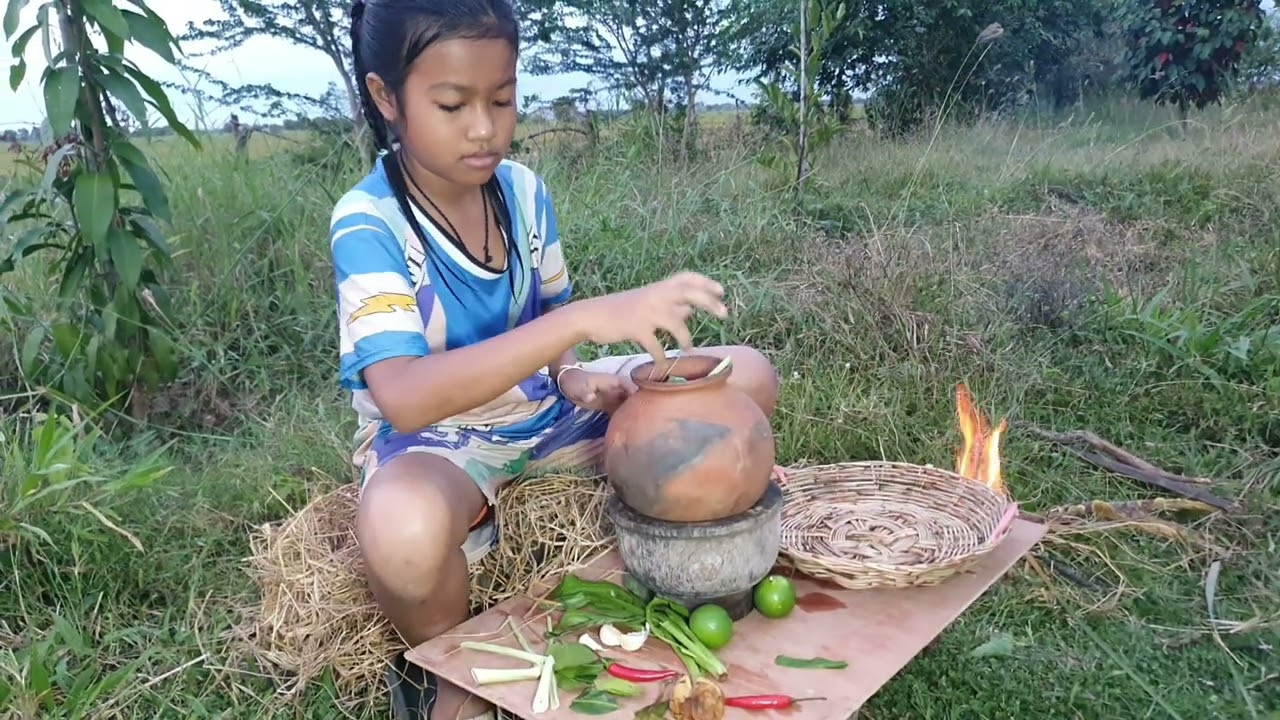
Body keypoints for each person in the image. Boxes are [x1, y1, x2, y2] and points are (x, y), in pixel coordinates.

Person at [334, 2, 781, 718]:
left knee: (747, 376)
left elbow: (550, 325)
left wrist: (576, 375)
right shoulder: (368, 223)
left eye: (503, 99)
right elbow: (404, 397)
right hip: (441, 442)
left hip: (546, 415)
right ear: (387, 97)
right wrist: (575, 324)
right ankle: (446, 668)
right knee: (402, 529)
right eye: (452, 104)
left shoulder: (523, 193)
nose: (485, 127)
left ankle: (685, 565)